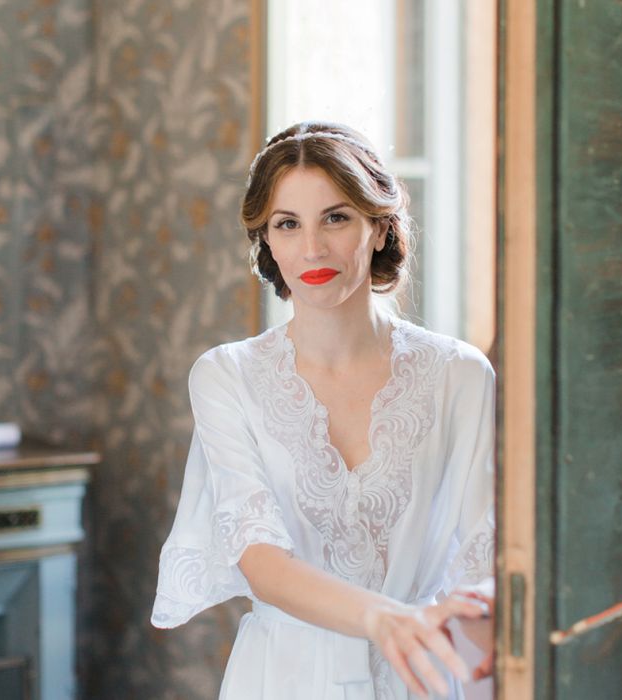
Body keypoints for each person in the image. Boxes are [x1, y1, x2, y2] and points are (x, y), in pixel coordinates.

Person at [151, 121, 496, 699]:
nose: (311, 247)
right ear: (268, 241)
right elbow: (259, 558)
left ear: (380, 228)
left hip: (422, 677)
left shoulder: (460, 374)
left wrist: (464, 634)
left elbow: (482, 556)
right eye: (288, 224)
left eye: (336, 217)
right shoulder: (226, 376)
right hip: (282, 678)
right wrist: (384, 620)